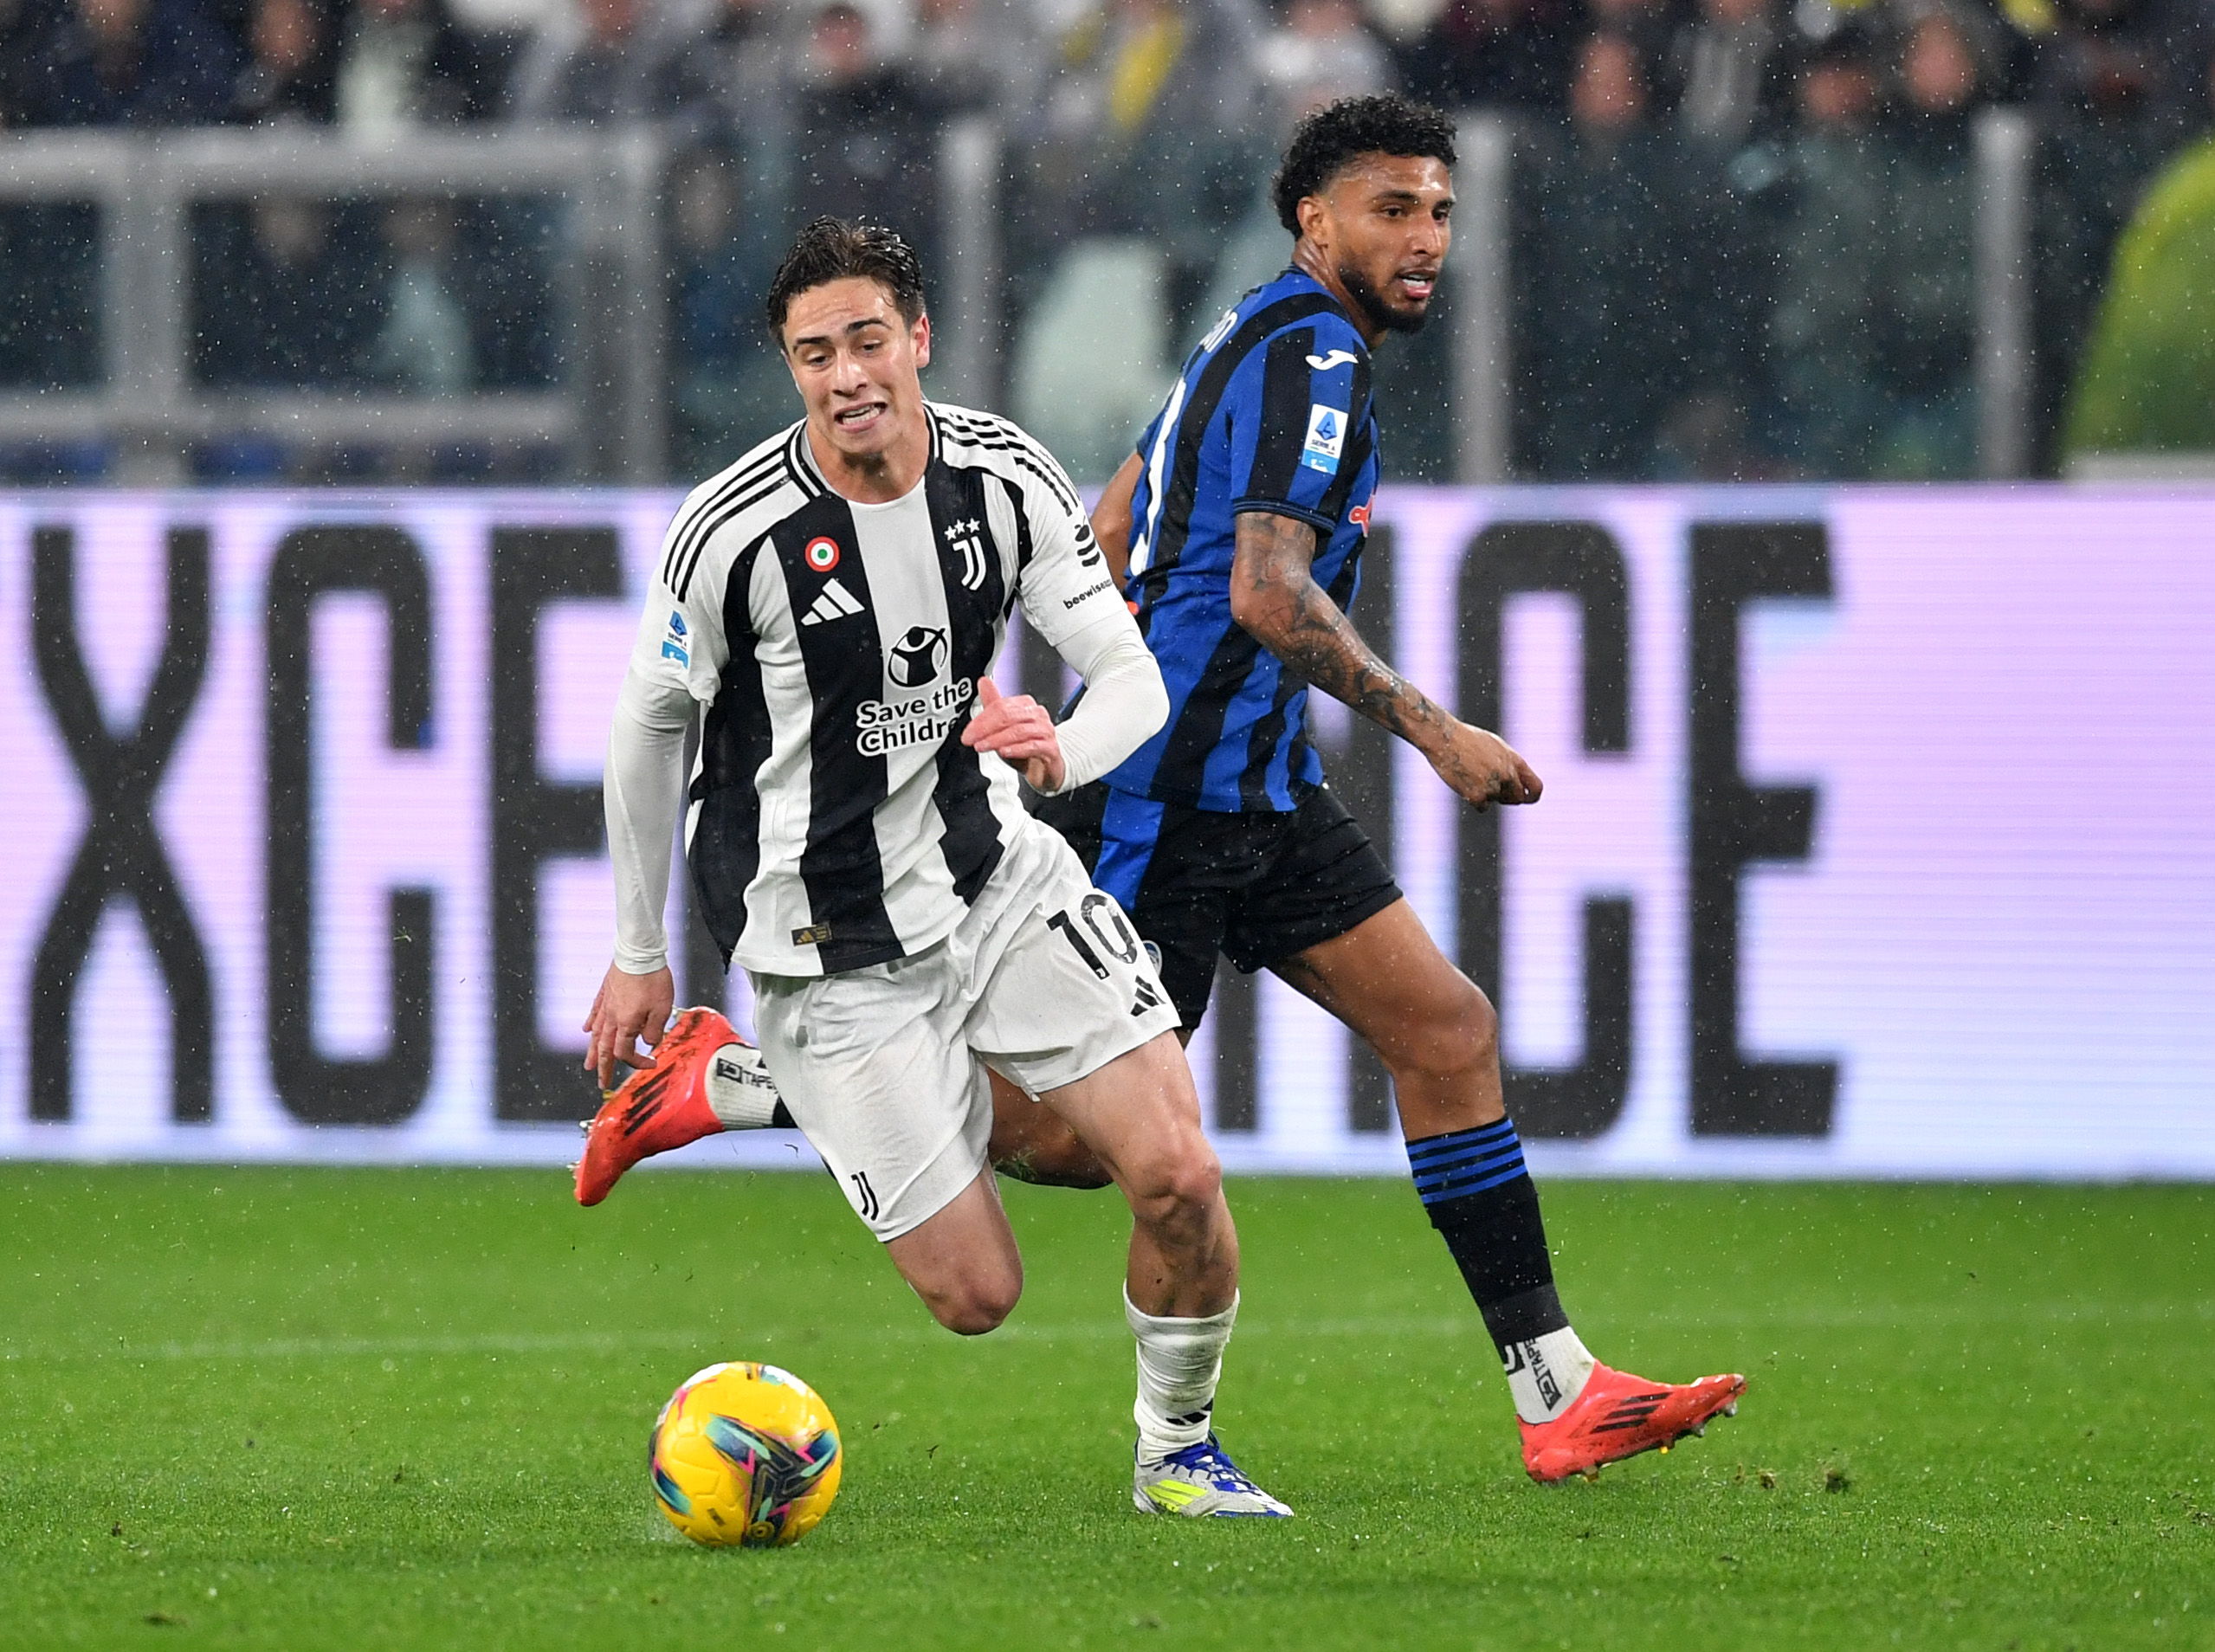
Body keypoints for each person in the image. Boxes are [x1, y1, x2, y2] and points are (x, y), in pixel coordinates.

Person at [578, 95, 1748, 1488]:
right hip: (1165, 796)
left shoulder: (1247, 333)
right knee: (1072, 1155)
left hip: (1258, 786)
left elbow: (1115, 511)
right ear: (1315, 222)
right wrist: (1433, 734)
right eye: (1393, 210)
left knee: (1441, 1032)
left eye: (1439, 209)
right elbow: (1261, 587)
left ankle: (1551, 1387)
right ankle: (749, 1082)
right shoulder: (1304, 354)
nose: (1425, 238)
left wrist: (1050, 660)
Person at [584, 214, 1291, 1520]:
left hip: (995, 881)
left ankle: (1177, 1454)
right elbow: (646, 729)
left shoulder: (1003, 477)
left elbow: (1131, 678)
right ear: (790, 370)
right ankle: (755, 1074)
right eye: (814, 354)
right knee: (979, 1297)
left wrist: (1062, 750)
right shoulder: (730, 535)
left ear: (918, 337)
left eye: (866, 340)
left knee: (1171, 1177)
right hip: (827, 947)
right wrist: (639, 953)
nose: (847, 375)